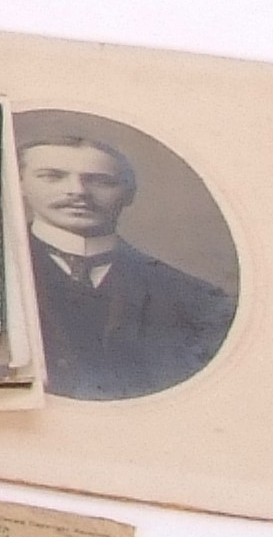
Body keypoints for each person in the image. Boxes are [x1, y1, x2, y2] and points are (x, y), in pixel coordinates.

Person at [20, 131, 237, 400]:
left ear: (129, 193)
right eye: (52, 176)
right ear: (21, 185)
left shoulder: (197, 300)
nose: (78, 191)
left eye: (102, 181)